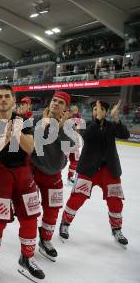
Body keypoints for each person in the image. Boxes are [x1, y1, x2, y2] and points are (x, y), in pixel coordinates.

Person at [0, 85, 45, 281]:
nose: (3, 99)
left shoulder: (23, 121)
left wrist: (16, 133)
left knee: (30, 218)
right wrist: (5, 139)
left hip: (24, 174)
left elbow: (31, 148)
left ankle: (27, 258)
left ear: (13, 100)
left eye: (7, 96)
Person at [60, 100, 130, 248]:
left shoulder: (112, 126)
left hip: (109, 170)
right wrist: (97, 120)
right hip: (88, 170)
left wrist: (116, 118)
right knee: (77, 198)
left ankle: (117, 230)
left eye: (102, 109)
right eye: (95, 109)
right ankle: (65, 223)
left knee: (115, 201)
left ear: (106, 112)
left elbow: (125, 134)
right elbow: (87, 136)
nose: (98, 112)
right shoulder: (85, 125)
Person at [31, 91, 75, 261]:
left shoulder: (69, 125)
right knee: (30, 210)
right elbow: (30, 143)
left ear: (66, 108)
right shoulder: (36, 118)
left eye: (61, 102)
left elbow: (67, 147)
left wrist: (62, 127)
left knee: (53, 210)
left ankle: (46, 240)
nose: (56, 104)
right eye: (54, 101)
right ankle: (28, 240)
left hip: (54, 174)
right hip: (34, 171)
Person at [67, 105, 82, 184]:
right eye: (74, 109)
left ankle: (70, 177)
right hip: (67, 142)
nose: (76, 111)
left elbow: (78, 130)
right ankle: (69, 177)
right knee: (61, 160)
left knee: (75, 161)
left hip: (73, 142)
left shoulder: (78, 118)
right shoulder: (66, 117)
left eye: (77, 109)